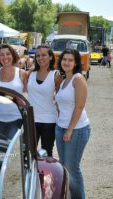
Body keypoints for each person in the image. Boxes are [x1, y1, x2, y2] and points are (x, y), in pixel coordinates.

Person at [55, 49, 90, 199]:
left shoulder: (78, 79)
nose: (66, 62)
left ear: (76, 63)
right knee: (64, 166)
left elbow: (79, 106)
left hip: (76, 129)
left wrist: (69, 130)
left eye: (70, 60)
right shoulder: (63, 80)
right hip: (61, 127)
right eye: (64, 59)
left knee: (72, 168)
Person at [26, 45, 62, 157]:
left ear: (51, 57)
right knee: (26, 152)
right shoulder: (31, 73)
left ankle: (44, 175)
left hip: (49, 121)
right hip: (31, 119)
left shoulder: (56, 75)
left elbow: (60, 98)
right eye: (38, 55)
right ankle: (31, 174)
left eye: (44, 55)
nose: (40, 58)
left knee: (46, 153)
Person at [0, 44, 27, 139]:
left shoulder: (22, 73)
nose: (5, 57)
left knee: (9, 150)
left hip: (15, 118)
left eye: (8, 54)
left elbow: (26, 96)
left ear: (13, 55)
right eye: (2, 55)